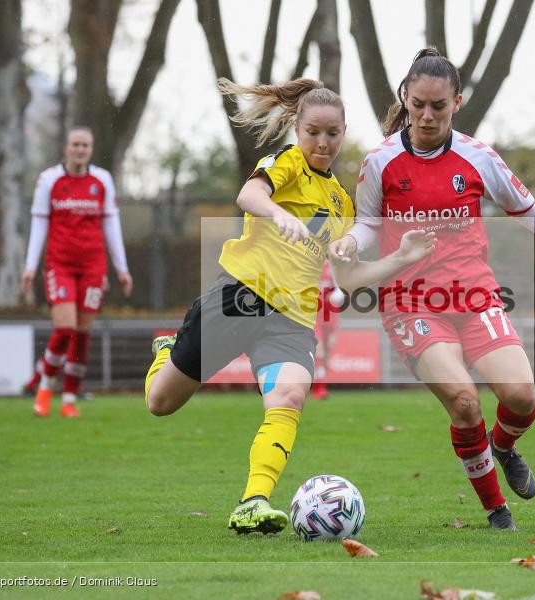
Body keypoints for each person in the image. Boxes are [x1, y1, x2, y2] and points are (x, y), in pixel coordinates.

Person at [329, 48, 535, 531]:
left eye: (438, 106)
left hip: (474, 294)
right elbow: (368, 225)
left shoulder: (478, 156)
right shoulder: (380, 161)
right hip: (411, 301)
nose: (426, 115)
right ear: (406, 97)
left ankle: (502, 445)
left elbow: (525, 207)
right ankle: (495, 510)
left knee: (521, 396)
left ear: (457, 102)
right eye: (418, 103)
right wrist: (347, 246)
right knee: (463, 401)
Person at [143, 77, 436, 535]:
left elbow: (348, 277)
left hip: (292, 321)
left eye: (333, 133)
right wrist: (279, 214)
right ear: (298, 129)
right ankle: (167, 351)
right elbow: (249, 196)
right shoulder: (287, 162)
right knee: (160, 403)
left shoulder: (341, 201)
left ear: (344, 132)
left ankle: (252, 502)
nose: (323, 142)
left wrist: (399, 259)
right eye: (314, 132)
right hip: (240, 298)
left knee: (289, 397)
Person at [20, 126, 133, 418]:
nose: (80, 149)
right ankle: (45, 388)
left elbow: (111, 226)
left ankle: (69, 397)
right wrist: (31, 265)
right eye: (75, 144)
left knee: (82, 334)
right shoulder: (49, 180)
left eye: (85, 145)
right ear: (66, 148)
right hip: (60, 264)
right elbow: (39, 224)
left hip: (93, 266)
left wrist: (122, 269)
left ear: (91, 149)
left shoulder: (102, 180)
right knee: (65, 329)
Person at [310, 260, 342, 400]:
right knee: (319, 350)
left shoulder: (332, 266)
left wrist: (338, 294)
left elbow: (341, 288)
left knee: (327, 352)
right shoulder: (306, 264)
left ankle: (319, 379)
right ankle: (319, 388)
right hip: (313, 315)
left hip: (331, 315)